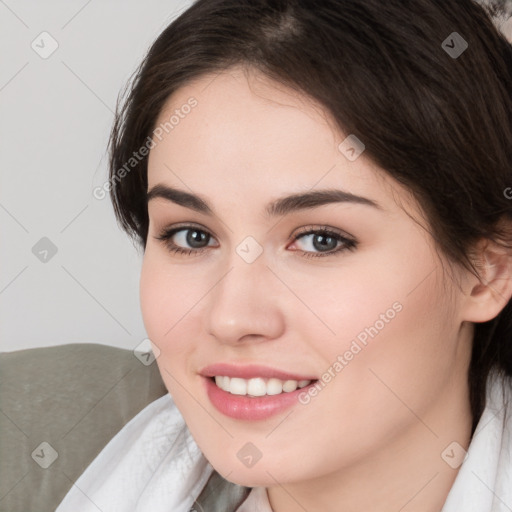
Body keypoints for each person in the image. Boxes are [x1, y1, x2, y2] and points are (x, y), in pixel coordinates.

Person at [56, 0, 512, 510]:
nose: (231, 318)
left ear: (488, 269)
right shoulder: (42, 440)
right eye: (192, 236)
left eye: (321, 239)